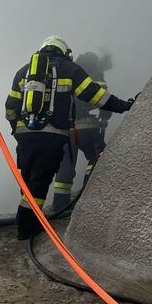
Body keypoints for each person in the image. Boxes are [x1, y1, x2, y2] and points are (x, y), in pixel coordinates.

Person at [5, 36, 135, 240]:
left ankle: (30, 220)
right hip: (52, 135)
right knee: (39, 182)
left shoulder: (24, 71)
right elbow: (96, 96)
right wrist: (125, 106)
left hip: (25, 136)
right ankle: (26, 227)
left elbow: (10, 108)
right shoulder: (69, 68)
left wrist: (18, 131)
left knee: (29, 181)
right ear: (64, 51)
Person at [52, 48, 113, 211]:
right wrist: (105, 115)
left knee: (66, 164)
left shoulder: (72, 67)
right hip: (86, 126)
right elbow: (102, 95)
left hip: (66, 128)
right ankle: (89, 197)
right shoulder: (94, 65)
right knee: (99, 156)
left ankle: (59, 204)